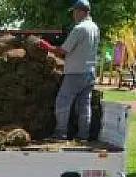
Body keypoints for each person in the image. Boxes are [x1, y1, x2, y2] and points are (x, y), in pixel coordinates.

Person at [41, 0, 99, 141]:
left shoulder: (79, 29)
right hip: (90, 72)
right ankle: (83, 135)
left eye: (74, 12)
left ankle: (60, 133)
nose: (73, 15)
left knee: (62, 102)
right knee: (84, 105)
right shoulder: (94, 28)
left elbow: (62, 51)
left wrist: (47, 46)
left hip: (75, 72)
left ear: (80, 11)